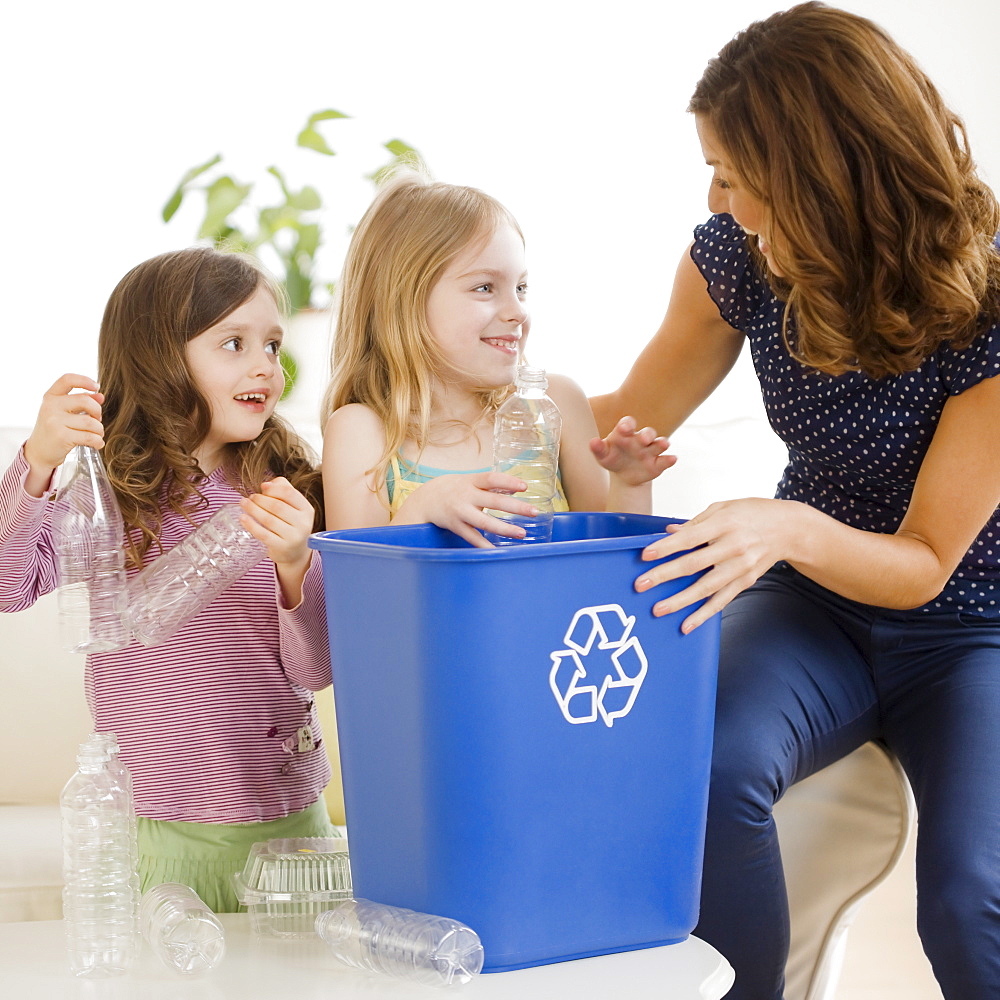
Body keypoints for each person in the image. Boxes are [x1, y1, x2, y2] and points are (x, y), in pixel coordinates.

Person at [590, 4, 1000, 998]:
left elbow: (923, 562)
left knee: (967, 894)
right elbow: (614, 419)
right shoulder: (732, 261)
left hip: (973, 628)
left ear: (816, 172)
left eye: (733, 171)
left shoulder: (989, 305)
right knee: (703, 772)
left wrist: (782, 527)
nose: (717, 197)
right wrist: (447, 416)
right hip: (812, 609)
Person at [0, 247, 336, 911]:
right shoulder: (106, 496)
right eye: (234, 343)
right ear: (159, 358)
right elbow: (8, 586)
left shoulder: (290, 493)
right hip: (148, 834)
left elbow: (316, 669)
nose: (265, 365)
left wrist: (298, 561)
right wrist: (37, 461)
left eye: (272, 344)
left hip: (288, 828)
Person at [321, 170, 674, 538]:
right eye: (485, 287)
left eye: (521, 288)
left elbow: (608, 557)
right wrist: (423, 507)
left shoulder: (557, 403)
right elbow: (360, 583)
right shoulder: (361, 431)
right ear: (403, 303)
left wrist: (630, 485)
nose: (517, 311)